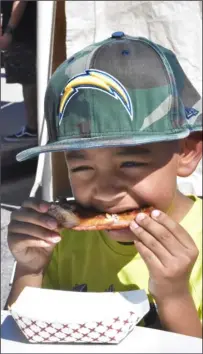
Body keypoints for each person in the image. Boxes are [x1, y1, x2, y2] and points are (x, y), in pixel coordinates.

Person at [7, 33, 202, 337]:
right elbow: (21, 339)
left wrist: (174, 294)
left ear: (187, 151)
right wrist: (30, 268)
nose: (105, 191)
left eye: (129, 163)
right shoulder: (61, 239)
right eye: (82, 167)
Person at [0, 1, 37, 141]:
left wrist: (9, 30)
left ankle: (33, 127)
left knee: (28, 80)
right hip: (20, 30)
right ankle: (33, 127)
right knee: (27, 80)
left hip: (23, 32)